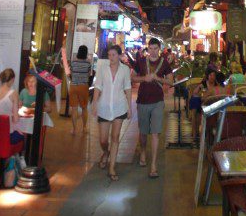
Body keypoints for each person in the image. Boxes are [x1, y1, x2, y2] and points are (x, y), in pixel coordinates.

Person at [132, 37, 173, 178]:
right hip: (142, 100)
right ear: (148, 49)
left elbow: (171, 81)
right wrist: (144, 78)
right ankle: (143, 150)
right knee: (143, 132)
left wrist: (158, 78)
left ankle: (154, 164)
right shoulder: (141, 62)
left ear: (159, 49)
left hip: (157, 101)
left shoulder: (165, 63)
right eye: (151, 49)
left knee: (155, 133)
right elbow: (133, 77)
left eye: (156, 49)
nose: (153, 51)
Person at [91, 45, 132, 181]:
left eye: (114, 55)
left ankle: (112, 167)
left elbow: (127, 88)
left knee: (115, 137)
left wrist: (129, 107)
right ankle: (106, 152)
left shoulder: (125, 70)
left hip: (119, 107)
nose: (111, 58)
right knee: (103, 139)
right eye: (109, 55)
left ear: (120, 56)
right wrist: (94, 103)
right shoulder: (103, 69)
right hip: (104, 107)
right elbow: (98, 86)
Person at [0, 68, 22, 144]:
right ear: (12, 79)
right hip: (6, 134)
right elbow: (16, 119)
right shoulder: (13, 93)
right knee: (22, 135)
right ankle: (15, 155)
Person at [68, 45, 91, 135]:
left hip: (73, 86)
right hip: (83, 86)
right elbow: (89, 75)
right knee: (84, 108)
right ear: (86, 53)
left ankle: (74, 129)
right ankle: (84, 127)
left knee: (74, 109)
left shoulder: (73, 63)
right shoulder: (88, 64)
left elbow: (71, 74)